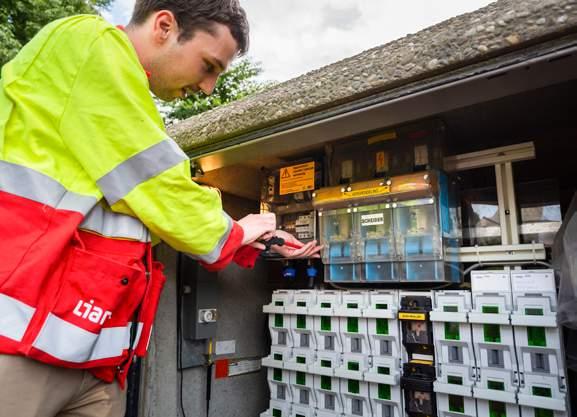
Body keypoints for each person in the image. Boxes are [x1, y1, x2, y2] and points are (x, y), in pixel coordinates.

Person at [0, 1, 322, 416]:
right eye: (209, 66)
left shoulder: (127, 101)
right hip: (19, 347)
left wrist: (252, 241)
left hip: (96, 358)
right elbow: (157, 183)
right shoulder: (85, 41)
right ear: (165, 26)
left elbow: (146, 206)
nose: (207, 87)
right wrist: (236, 233)